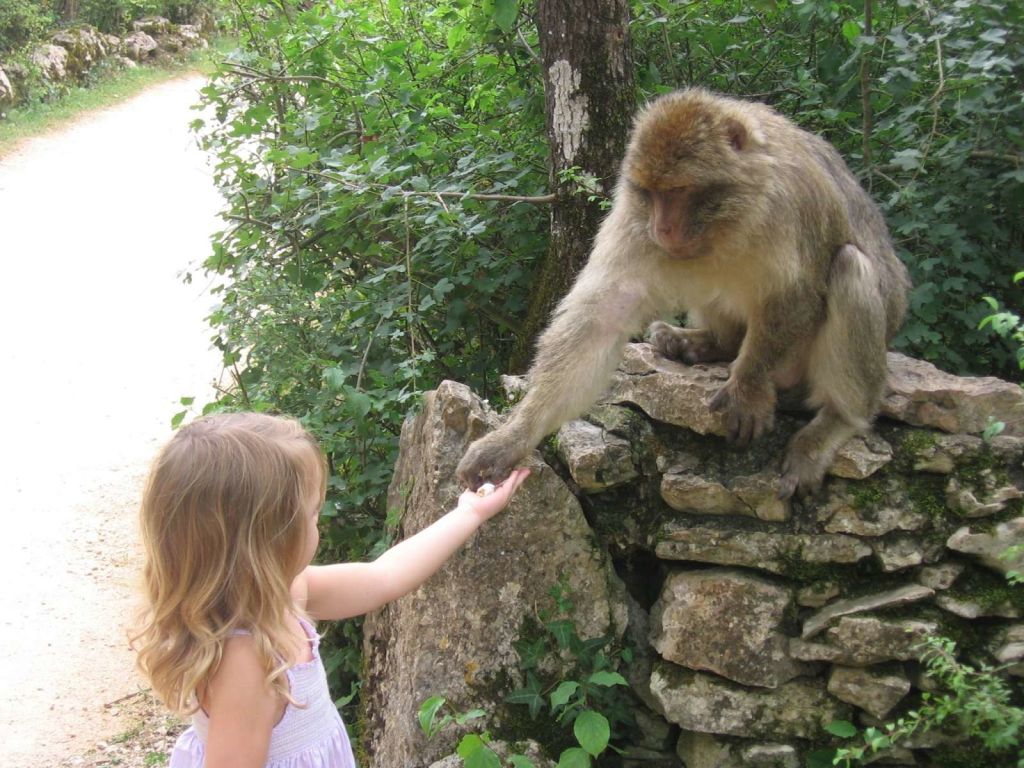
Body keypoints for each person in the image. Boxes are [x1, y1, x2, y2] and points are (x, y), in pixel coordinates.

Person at [132, 411, 530, 768]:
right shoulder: (246, 663)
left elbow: (383, 577)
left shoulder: (286, 595)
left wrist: (469, 512)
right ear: (269, 542)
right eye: (312, 515)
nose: (318, 524)